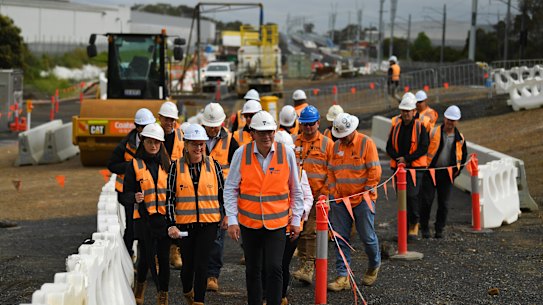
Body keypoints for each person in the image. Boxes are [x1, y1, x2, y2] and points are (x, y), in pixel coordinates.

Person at [224, 111, 304, 305]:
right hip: (249, 224)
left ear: (275, 131)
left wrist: (296, 220)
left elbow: (296, 189)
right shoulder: (241, 154)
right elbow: (230, 188)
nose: (266, 136)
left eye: (270, 131)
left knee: (274, 267)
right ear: (252, 133)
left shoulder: (287, 153)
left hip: (277, 223)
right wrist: (232, 220)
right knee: (253, 269)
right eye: (261, 132)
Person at [166, 124, 225, 305]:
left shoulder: (213, 165)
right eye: (194, 144)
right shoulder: (176, 167)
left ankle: (199, 301)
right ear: (187, 145)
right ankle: (187, 292)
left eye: (201, 144)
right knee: (188, 267)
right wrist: (171, 224)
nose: (198, 148)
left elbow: (223, 194)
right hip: (185, 226)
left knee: (202, 264)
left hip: (209, 224)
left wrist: (227, 215)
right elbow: (169, 197)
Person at [327, 113, 382, 291]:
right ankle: (343, 276)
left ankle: (374, 264)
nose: (343, 138)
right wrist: (334, 192)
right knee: (340, 238)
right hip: (341, 200)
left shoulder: (366, 143)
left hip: (362, 200)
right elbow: (331, 171)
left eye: (345, 134)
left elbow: (374, 171)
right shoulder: (335, 147)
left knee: (367, 237)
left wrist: (366, 190)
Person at [261, 130, 314, 305]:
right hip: (269, 224)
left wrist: (299, 217)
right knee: (265, 263)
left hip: (290, 227)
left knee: (281, 265)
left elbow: (307, 197)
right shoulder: (267, 169)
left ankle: (280, 296)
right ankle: (265, 295)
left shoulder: (299, 172)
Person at [121, 123, 171, 305]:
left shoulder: (168, 165)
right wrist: (133, 196)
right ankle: (141, 286)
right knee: (148, 257)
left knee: (164, 260)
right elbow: (124, 195)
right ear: (143, 142)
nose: (153, 146)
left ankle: (162, 295)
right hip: (143, 219)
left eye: (157, 143)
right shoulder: (134, 165)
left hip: (164, 219)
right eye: (150, 142)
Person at [291, 105, 334, 284]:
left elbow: (333, 171)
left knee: (310, 232)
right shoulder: (294, 142)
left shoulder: (327, 144)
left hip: (318, 196)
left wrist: (324, 193)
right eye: (305, 124)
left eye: (311, 124)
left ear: (318, 123)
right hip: (297, 195)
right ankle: (303, 264)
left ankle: (309, 267)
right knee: (298, 230)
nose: (308, 128)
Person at [201, 102, 240, 292]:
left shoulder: (231, 142)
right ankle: (199, 272)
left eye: (216, 124)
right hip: (198, 194)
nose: (213, 128)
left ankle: (212, 275)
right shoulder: (194, 138)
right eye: (210, 125)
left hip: (220, 195)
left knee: (217, 237)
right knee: (198, 236)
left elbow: (238, 170)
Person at [107, 108, 156, 261]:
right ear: (138, 127)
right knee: (131, 227)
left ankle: (150, 258)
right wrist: (131, 167)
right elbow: (112, 165)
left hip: (149, 192)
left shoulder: (155, 143)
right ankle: (129, 256)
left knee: (150, 226)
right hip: (128, 193)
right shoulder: (126, 144)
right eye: (144, 127)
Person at [386, 93, 429, 239]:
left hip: (415, 169)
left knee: (412, 196)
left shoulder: (419, 127)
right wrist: (398, 159)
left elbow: (424, 147)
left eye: (408, 111)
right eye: (403, 111)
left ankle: (414, 223)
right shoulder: (396, 127)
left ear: (414, 112)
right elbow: (389, 147)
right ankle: (404, 229)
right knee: (402, 199)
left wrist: (407, 159)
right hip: (399, 168)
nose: (405, 114)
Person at [420, 105, 467, 239]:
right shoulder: (433, 132)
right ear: (444, 118)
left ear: (457, 121)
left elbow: (463, 156)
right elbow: (424, 148)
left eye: (453, 120)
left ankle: (439, 229)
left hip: (447, 175)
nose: (450, 122)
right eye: (448, 119)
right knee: (427, 201)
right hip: (430, 172)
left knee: (444, 204)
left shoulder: (460, 138)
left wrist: (457, 171)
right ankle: (424, 228)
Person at [158, 101, 184, 269]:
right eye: (166, 119)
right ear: (160, 118)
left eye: (172, 120)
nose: (169, 123)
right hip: (159, 186)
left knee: (177, 219)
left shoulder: (181, 136)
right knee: (159, 222)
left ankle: (175, 251)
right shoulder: (153, 135)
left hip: (177, 184)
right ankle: (158, 255)